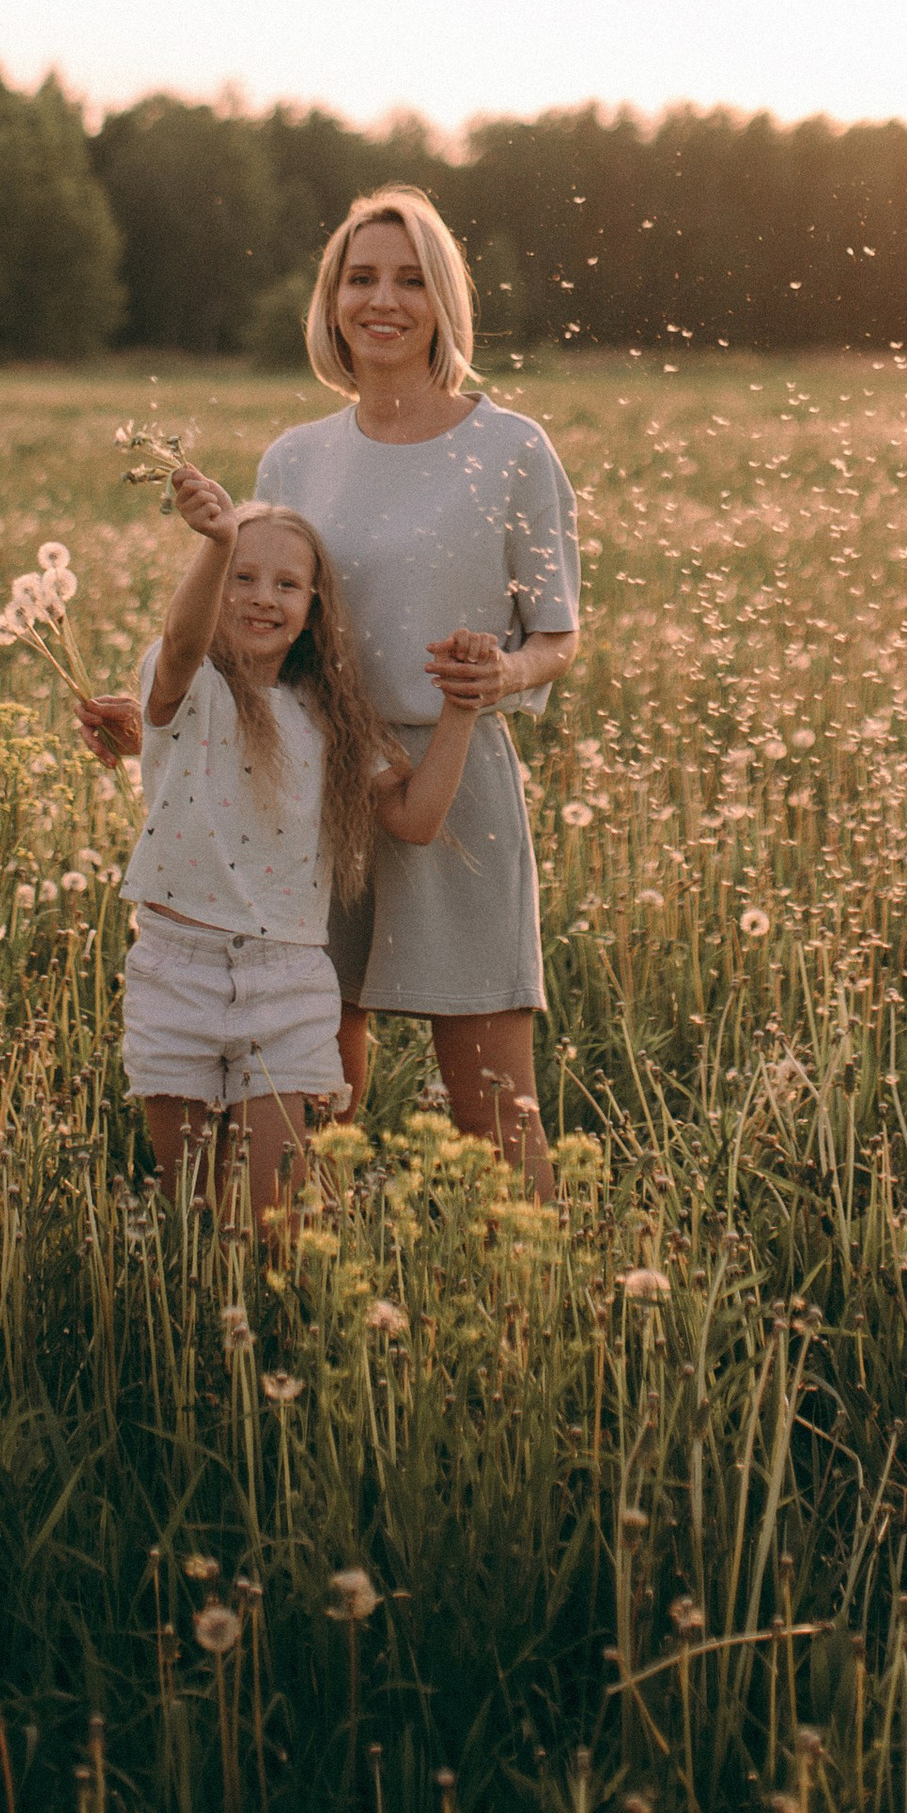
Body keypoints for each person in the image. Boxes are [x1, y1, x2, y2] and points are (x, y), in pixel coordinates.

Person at [254, 187, 577, 1197]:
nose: (381, 300)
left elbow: (558, 633)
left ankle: (530, 1311)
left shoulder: (512, 446)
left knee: (490, 1101)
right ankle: (306, 1293)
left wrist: (503, 673)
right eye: (360, 277)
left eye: (408, 279)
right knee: (314, 1081)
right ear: (331, 298)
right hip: (311, 774)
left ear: (443, 301)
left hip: (455, 777)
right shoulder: (294, 455)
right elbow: (257, 625)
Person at [99, 464, 477, 1224]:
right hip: (177, 968)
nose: (261, 598)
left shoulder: (330, 716)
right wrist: (214, 540)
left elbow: (415, 818)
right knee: (195, 1207)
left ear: (312, 610)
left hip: (290, 979)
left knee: (278, 1215)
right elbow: (180, 640)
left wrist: (462, 710)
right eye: (242, 576)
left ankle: (280, 1330)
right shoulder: (184, 686)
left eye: (285, 585)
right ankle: (203, 1333)